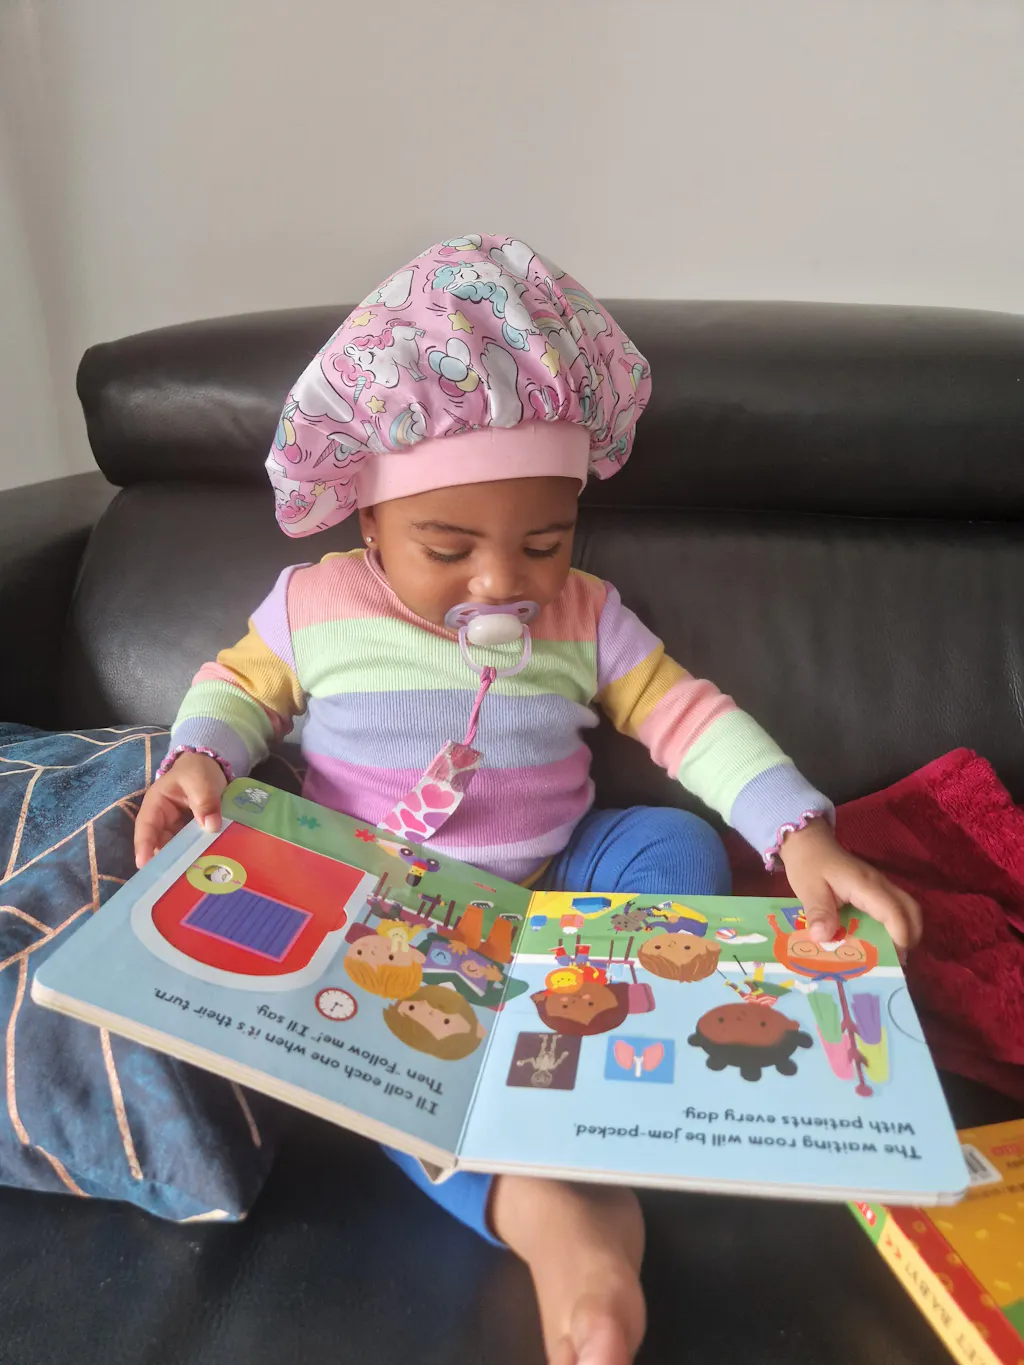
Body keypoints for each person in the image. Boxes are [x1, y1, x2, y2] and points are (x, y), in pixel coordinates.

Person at [134, 235, 922, 1365]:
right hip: (386, 916)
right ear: (369, 520)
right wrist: (200, 755)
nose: (502, 581)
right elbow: (235, 687)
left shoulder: (584, 613)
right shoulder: (314, 606)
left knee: (669, 841)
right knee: (373, 1061)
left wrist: (799, 832)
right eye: (448, 547)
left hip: (562, 894)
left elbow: (684, 715)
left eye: (543, 542)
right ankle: (565, 1230)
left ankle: (594, 1061)